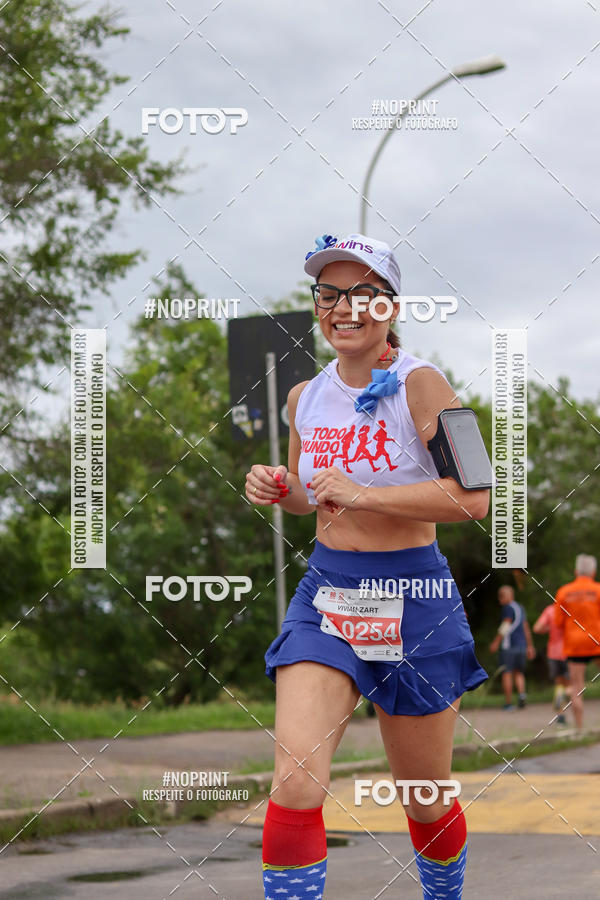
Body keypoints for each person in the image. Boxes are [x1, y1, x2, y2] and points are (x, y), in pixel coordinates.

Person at [245, 232, 490, 900]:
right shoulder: (303, 396)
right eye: (328, 293)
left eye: (362, 293)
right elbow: (307, 497)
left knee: (424, 797)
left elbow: (476, 497)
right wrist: (278, 486)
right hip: (329, 595)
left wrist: (366, 494)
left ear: (391, 306)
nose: (343, 307)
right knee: (296, 781)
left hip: (414, 598)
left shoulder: (424, 383)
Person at [554, 554, 600, 731]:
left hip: (575, 645)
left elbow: (558, 622)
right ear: (593, 572)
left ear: (575, 572)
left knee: (577, 687)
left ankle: (580, 730)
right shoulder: (598, 590)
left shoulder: (564, 592)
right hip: (597, 641)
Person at [488, 585, 535, 709]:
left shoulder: (508, 608)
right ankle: (522, 696)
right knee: (519, 672)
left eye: (501, 597)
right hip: (522, 646)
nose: (499, 599)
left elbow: (506, 624)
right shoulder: (520, 607)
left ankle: (508, 703)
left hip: (509, 646)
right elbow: (526, 628)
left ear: (507, 596)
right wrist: (530, 646)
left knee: (507, 673)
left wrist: (496, 642)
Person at [533, 602, 570, 725]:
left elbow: (537, 628)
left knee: (559, 686)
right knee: (571, 686)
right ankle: (574, 715)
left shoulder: (549, 610)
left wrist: (550, 628)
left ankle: (561, 716)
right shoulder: (569, 610)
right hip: (568, 652)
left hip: (553, 653)